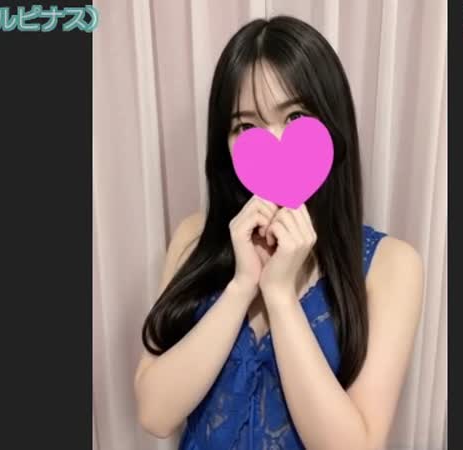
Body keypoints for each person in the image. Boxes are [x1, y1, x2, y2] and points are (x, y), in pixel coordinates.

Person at [134, 15, 423, 450]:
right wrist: (242, 285)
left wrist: (281, 295)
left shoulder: (391, 264)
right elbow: (154, 415)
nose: (274, 140)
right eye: (245, 126)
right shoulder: (194, 237)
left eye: (296, 116)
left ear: (333, 123)